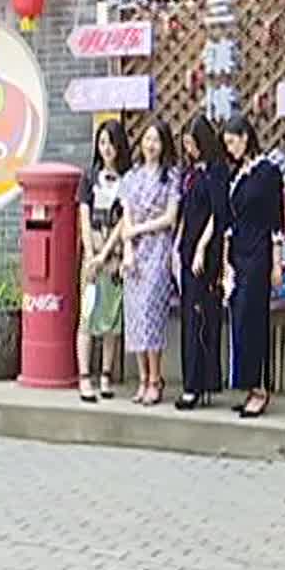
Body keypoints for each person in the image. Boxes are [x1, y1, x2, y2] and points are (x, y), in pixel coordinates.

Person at [221, 114, 284, 419]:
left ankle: (260, 387)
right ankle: (247, 384)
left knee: (254, 317)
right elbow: (230, 221)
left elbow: (276, 220)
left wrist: (277, 263)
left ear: (246, 137)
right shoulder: (237, 175)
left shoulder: (268, 172)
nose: (230, 149)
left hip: (259, 253)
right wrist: (226, 262)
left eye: (233, 142)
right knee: (239, 319)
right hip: (238, 254)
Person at [119, 117, 180, 407]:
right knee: (134, 315)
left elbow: (170, 218)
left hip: (158, 250)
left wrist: (139, 230)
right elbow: (126, 217)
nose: (151, 145)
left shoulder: (171, 176)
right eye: (147, 139)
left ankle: (156, 378)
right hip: (135, 252)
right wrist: (127, 249)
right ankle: (142, 378)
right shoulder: (131, 177)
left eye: (156, 139)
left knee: (151, 312)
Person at [174, 114, 230, 410]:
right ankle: (192, 380)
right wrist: (178, 246)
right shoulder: (190, 173)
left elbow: (217, 214)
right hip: (186, 249)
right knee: (189, 315)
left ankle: (198, 384)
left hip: (205, 253)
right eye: (185, 144)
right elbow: (185, 212)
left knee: (202, 316)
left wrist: (201, 247)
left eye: (192, 143)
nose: (190, 149)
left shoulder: (217, 171)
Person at [76, 119, 131, 403]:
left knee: (112, 319)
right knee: (87, 317)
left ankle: (106, 375)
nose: (107, 148)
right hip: (92, 258)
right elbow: (84, 217)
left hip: (113, 258)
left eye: (111, 143)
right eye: (102, 143)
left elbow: (124, 222)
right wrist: (90, 255)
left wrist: (105, 254)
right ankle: (85, 377)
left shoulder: (127, 180)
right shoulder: (89, 178)